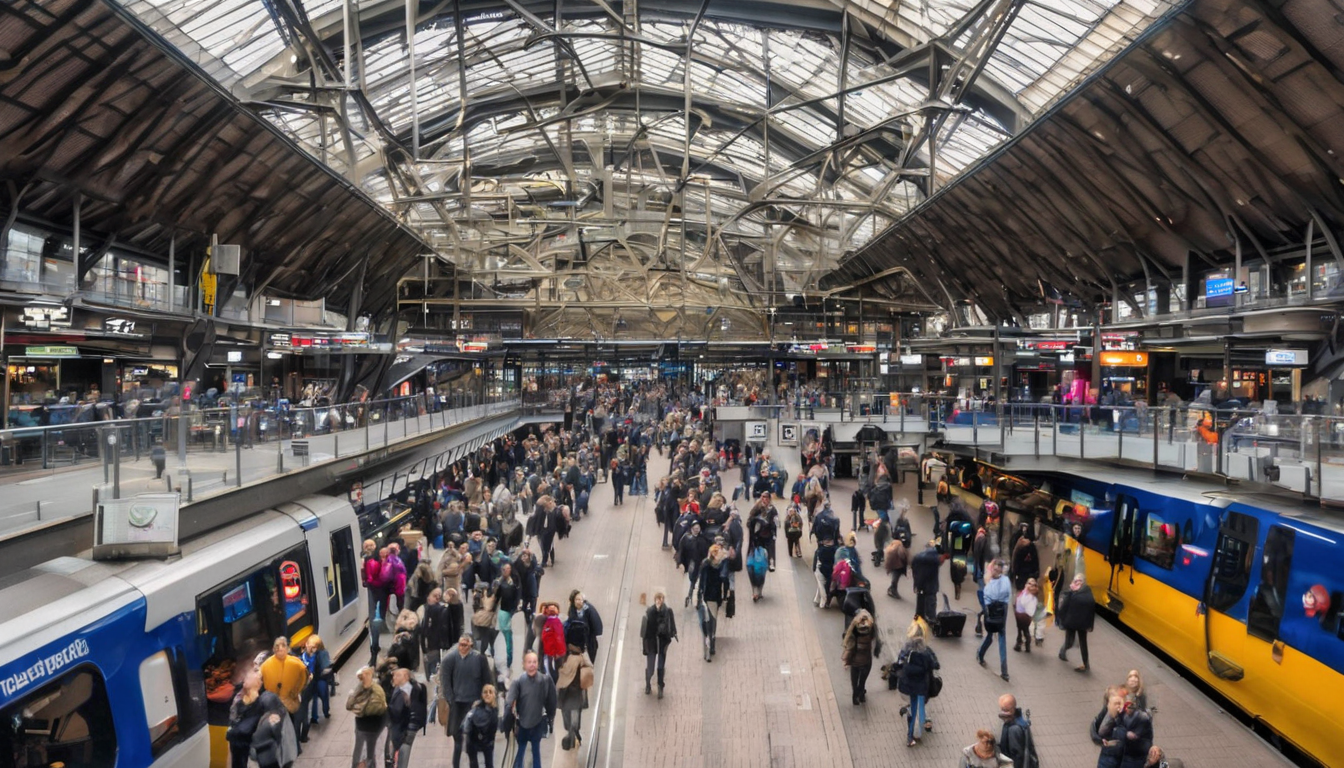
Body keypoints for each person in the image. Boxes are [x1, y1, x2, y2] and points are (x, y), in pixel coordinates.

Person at [442, 634, 492, 768]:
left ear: (471, 645)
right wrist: (451, 700)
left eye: (465, 645)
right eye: (461, 644)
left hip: (474, 703)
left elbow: (487, 682)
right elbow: (445, 683)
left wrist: (484, 701)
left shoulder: (479, 659)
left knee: (473, 741)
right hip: (457, 704)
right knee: (458, 740)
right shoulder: (450, 659)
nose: (463, 647)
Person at [505, 652, 558, 768]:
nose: (532, 665)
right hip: (522, 723)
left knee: (535, 750)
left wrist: (550, 717)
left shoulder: (545, 680)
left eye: (534, 662)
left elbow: (552, 700)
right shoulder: (518, 682)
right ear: (524, 664)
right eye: (529, 662)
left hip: (537, 722)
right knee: (521, 750)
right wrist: (507, 718)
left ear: (538, 664)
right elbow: (509, 701)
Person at [259, 636, 310, 749]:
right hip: (279, 704)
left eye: (282, 647)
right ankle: (291, 747)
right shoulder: (267, 665)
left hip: (285, 703)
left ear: (287, 649)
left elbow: (304, 678)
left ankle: (291, 747)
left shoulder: (295, 663)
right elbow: (305, 679)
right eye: (278, 647)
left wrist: (295, 692)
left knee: (288, 727)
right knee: (286, 728)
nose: (280, 650)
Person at [227, 671, 284, 768]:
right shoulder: (239, 697)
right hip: (240, 743)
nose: (244, 680)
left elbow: (275, 720)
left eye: (247, 678)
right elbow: (233, 719)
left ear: (257, 682)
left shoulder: (265, 699)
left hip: (258, 745)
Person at [896, 619, 939, 747]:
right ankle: (916, 734)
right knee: (920, 708)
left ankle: (911, 735)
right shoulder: (926, 650)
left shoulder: (906, 648)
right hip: (921, 686)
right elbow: (935, 664)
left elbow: (899, 662)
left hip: (908, 685)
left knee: (914, 707)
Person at [977, 559, 1012, 682]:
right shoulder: (1002, 580)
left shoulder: (994, 581)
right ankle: (982, 655)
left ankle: (1004, 670)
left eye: (998, 568)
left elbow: (991, 595)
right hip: (998, 609)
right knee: (994, 635)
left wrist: (989, 584)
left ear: (1001, 569)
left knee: (996, 636)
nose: (996, 570)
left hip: (996, 609)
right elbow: (1004, 594)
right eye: (994, 568)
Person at [385, 666, 427, 768]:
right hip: (400, 728)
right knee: (397, 754)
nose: (394, 678)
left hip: (406, 729)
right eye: (394, 675)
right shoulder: (399, 688)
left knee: (403, 755)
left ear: (406, 677)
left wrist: (385, 708)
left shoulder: (407, 691)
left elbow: (399, 711)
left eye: (397, 675)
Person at [556, 640, 594, 750]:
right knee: (574, 717)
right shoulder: (581, 658)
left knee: (568, 717)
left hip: (566, 693)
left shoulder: (564, 658)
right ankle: (573, 734)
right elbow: (590, 667)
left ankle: (572, 735)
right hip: (576, 693)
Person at [695, 544, 732, 661]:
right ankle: (708, 647)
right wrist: (698, 597)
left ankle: (712, 641)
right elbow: (700, 582)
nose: (721, 554)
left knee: (712, 621)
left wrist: (725, 596)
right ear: (714, 554)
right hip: (705, 597)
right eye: (719, 553)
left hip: (716, 597)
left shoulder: (722, 565)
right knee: (706, 623)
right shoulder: (705, 564)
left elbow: (725, 581)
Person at [346, 666, 387, 768]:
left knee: (367, 755)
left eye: (365, 676)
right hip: (364, 727)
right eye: (361, 677)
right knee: (364, 754)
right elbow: (349, 705)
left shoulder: (376, 690)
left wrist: (360, 708)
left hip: (372, 728)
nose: (363, 678)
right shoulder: (360, 688)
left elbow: (376, 708)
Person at [1057, 573, 1097, 672]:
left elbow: (1090, 606)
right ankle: (1062, 652)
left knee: (1083, 643)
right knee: (1070, 642)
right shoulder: (1072, 592)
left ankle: (1086, 664)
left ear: (1083, 582)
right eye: (1075, 580)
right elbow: (1064, 606)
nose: (1077, 582)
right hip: (1072, 622)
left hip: (1082, 623)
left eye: (1079, 581)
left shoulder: (1086, 593)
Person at [641, 590, 677, 698]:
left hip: (662, 643)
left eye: (661, 599)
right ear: (655, 600)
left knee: (660, 667)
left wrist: (671, 635)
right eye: (657, 599)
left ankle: (660, 687)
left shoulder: (667, 611)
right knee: (650, 668)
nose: (659, 602)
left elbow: (672, 626)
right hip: (652, 644)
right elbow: (646, 631)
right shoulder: (650, 612)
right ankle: (648, 684)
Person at [841, 608, 877, 706]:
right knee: (862, 679)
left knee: (854, 679)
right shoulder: (870, 629)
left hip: (855, 659)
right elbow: (874, 636)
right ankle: (861, 694)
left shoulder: (854, 629)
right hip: (866, 659)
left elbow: (846, 637)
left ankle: (855, 696)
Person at [300, 635, 332, 739]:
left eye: (314, 646)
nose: (311, 648)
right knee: (314, 698)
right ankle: (315, 717)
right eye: (310, 646)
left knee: (323, 695)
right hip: (312, 680)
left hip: (320, 678)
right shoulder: (306, 655)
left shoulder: (322, 653)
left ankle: (325, 711)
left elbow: (326, 667)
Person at [462, 684, 500, 768]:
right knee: (474, 764)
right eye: (485, 692)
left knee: (489, 763)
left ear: (494, 695)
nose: (488, 694)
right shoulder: (476, 709)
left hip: (488, 741)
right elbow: (466, 726)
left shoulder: (494, 711)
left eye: (490, 692)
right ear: (482, 695)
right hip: (473, 740)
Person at [997, 694, 1038, 768]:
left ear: (1011, 710)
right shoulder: (1016, 720)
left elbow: (1017, 756)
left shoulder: (1014, 729)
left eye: (1004, 709)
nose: (1002, 711)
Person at [566, 590, 604, 663]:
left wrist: (596, 633)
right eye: (576, 600)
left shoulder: (589, 609)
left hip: (588, 639)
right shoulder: (572, 609)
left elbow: (596, 623)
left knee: (588, 661)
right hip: (575, 641)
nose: (578, 602)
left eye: (579, 599)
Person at [910, 539, 942, 622]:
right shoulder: (935, 560)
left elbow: (913, 568)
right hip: (931, 586)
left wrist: (916, 582)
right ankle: (931, 618)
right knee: (931, 602)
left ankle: (918, 618)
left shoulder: (917, 557)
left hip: (920, 584)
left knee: (920, 602)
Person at [1013, 579, 1040, 653]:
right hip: (1019, 614)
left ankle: (1023, 644)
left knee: (1024, 630)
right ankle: (1023, 644)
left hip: (1024, 616)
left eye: (1032, 584)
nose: (1029, 585)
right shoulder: (1024, 593)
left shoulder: (1031, 596)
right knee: (1021, 630)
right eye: (1029, 583)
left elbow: (1024, 604)